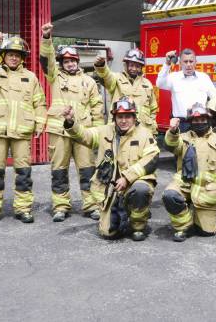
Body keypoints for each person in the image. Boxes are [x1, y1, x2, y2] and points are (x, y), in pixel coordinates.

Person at [0, 33, 46, 225]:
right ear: (3, 56)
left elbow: (39, 103)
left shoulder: (30, 78)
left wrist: (40, 123)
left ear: (22, 57)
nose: (14, 57)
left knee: (23, 174)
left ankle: (23, 209)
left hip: (21, 133)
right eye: (10, 54)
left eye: (17, 54)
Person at [64, 96, 160, 241]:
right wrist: (71, 123)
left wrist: (127, 177)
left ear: (134, 117)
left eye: (127, 116)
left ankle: (138, 225)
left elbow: (152, 158)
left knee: (140, 191)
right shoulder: (105, 131)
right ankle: (121, 214)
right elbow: (85, 135)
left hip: (135, 182)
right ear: (114, 117)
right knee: (108, 233)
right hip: (112, 188)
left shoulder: (144, 133)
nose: (123, 120)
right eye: (120, 116)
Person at [39, 23, 104, 222]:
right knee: (59, 171)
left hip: (83, 133)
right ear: (61, 63)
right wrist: (47, 38)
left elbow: (97, 107)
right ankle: (60, 206)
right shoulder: (55, 77)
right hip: (59, 131)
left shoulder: (90, 81)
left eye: (72, 60)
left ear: (77, 61)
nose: (69, 64)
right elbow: (46, 59)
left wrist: (97, 134)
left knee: (88, 171)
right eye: (65, 61)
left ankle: (91, 205)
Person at [162, 103, 216, 241]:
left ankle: (199, 218)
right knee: (169, 195)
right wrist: (172, 131)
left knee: (206, 233)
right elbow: (170, 145)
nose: (199, 123)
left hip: (206, 192)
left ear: (208, 120)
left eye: (202, 119)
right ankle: (184, 225)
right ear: (191, 121)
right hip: (184, 185)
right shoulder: (183, 138)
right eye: (196, 120)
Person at [94, 48, 157, 134]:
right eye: (131, 65)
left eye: (137, 66)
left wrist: (152, 129)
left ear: (141, 67)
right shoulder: (116, 78)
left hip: (142, 131)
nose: (134, 69)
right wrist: (102, 66)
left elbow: (153, 109)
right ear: (126, 65)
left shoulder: (147, 84)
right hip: (120, 129)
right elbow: (107, 76)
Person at [156, 48, 216, 132]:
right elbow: (160, 84)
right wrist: (167, 64)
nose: (188, 64)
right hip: (181, 124)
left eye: (191, 61)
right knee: (181, 145)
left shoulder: (204, 77)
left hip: (199, 123)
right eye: (185, 61)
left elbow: (215, 96)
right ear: (180, 63)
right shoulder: (174, 77)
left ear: (195, 62)